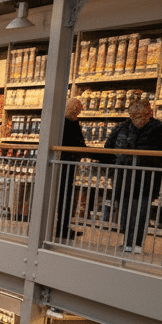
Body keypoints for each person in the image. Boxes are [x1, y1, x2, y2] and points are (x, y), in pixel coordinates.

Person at [103, 97, 162, 254]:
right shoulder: (121, 128)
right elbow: (108, 149)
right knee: (125, 212)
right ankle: (128, 242)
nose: (141, 119)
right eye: (136, 116)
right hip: (123, 178)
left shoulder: (158, 128)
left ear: (149, 113)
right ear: (130, 115)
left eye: (143, 115)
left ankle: (137, 244)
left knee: (141, 212)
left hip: (146, 179)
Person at [54, 97, 88, 242]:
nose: (79, 113)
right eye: (78, 110)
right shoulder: (64, 123)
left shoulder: (72, 121)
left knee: (67, 197)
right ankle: (61, 228)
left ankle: (64, 227)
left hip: (70, 164)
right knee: (64, 197)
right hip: (63, 165)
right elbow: (75, 142)